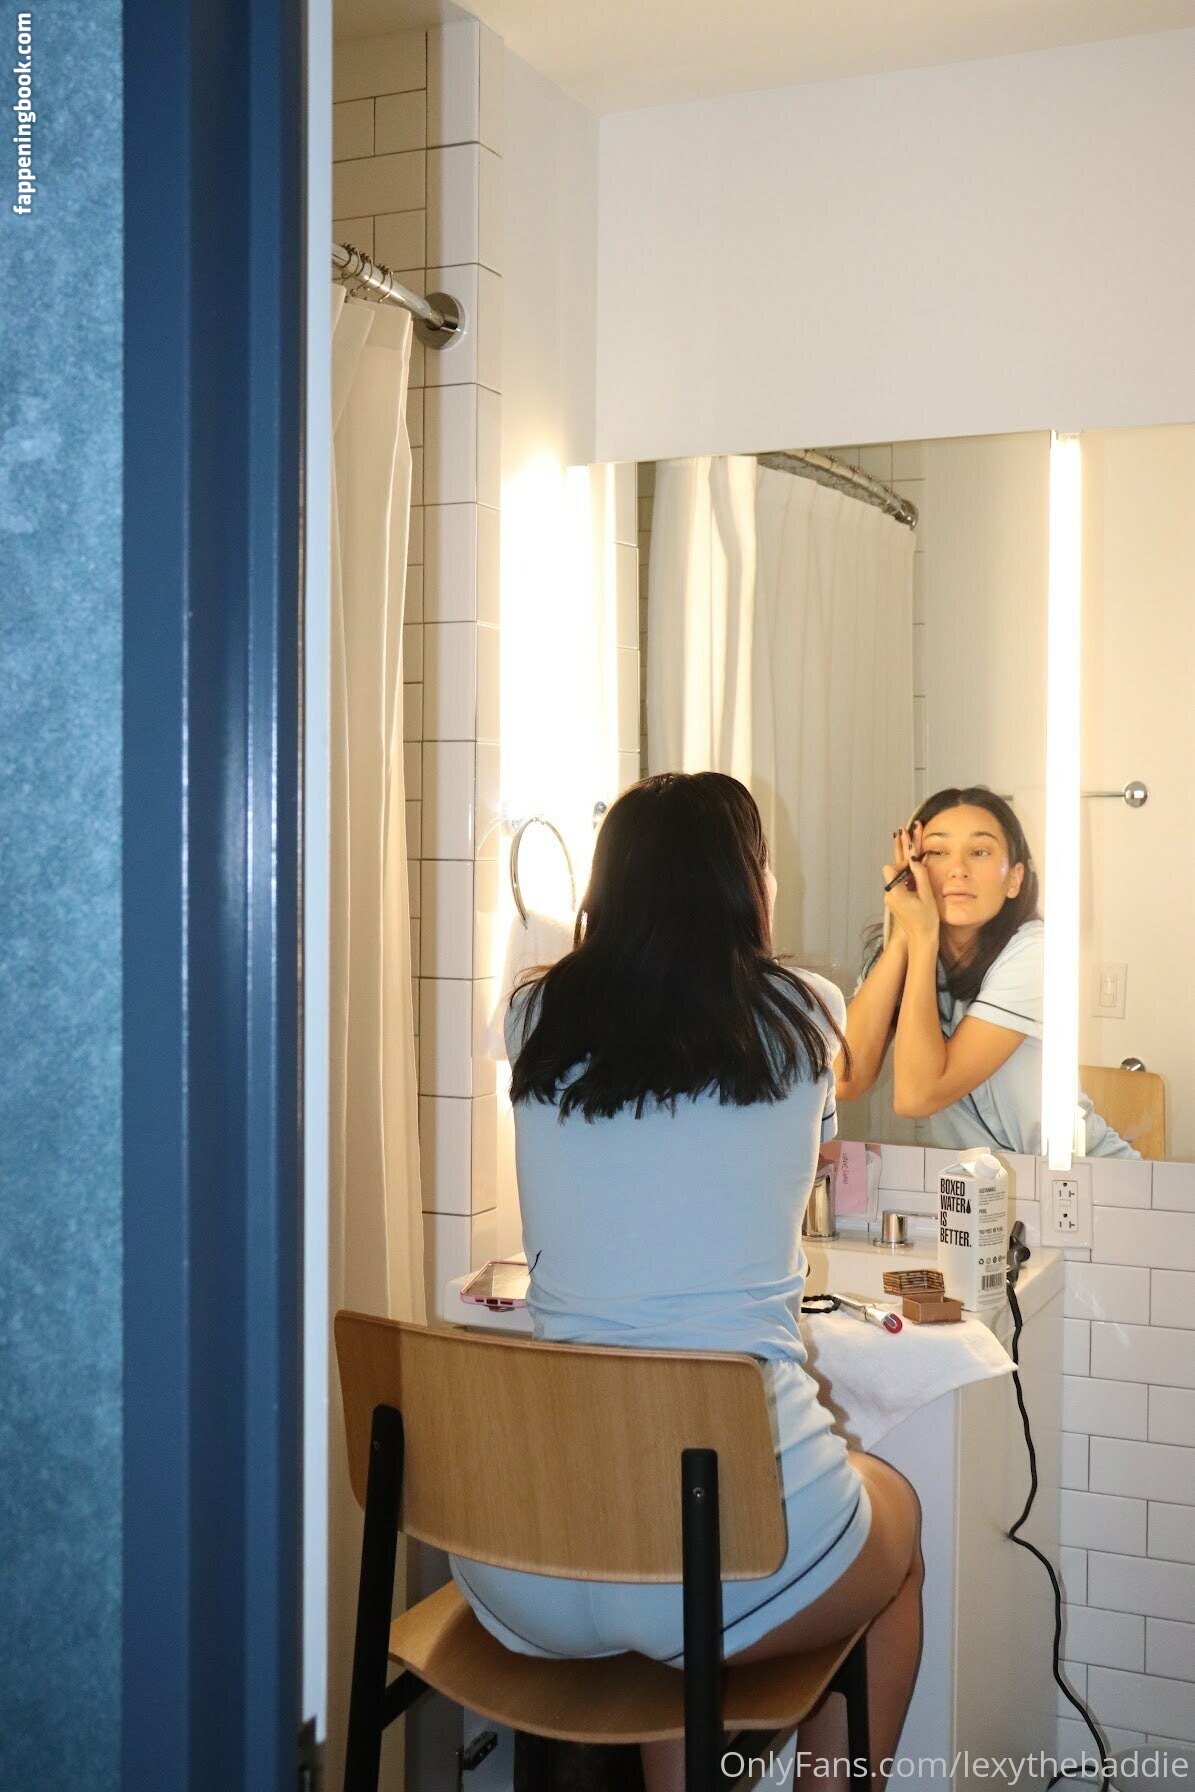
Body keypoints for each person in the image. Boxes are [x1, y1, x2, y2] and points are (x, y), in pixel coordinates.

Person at [448, 772, 924, 1792]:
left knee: (677, 1579)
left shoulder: (532, 1011)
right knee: (896, 1531)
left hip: (524, 1560)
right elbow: (801, 1145)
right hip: (729, 1548)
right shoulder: (805, 1011)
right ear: (743, 883)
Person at [838, 785, 1136, 1157]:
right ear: (912, 870)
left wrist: (923, 936)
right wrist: (904, 937)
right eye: (937, 852)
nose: (958, 870)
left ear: (1014, 879)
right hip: (988, 1184)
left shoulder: (1037, 952)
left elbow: (916, 1097)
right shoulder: (901, 950)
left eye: (979, 852)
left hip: (1086, 1175)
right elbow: (844, 1079)